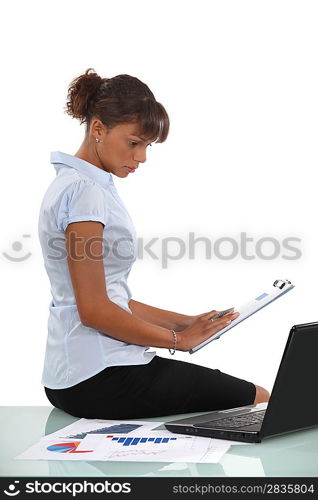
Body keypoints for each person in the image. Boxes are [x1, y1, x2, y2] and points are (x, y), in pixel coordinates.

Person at [38, 68, 270, 420]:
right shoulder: (85, 192)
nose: (142, 157)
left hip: (73, 373)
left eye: (147, 146)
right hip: (98, 375)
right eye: (134, 142)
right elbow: (95, 310)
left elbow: (113, 297)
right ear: (98, 128)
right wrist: (180, 341)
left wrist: (184, 322)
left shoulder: (78, 184)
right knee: (260, 399)